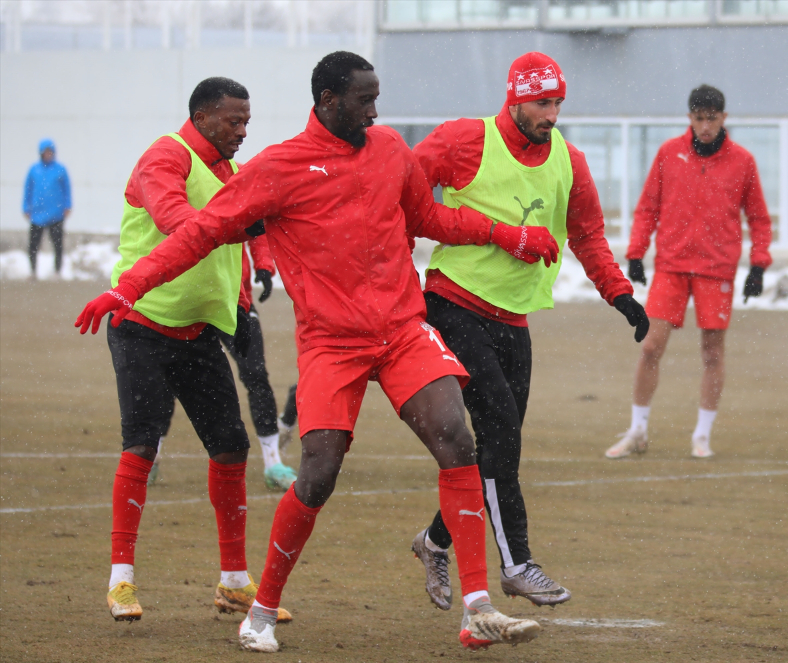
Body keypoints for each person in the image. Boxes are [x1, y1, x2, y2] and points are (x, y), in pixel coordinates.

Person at [76, 51, 562, 653]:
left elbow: (430, 216)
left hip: (403, 329)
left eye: (376, 96)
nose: (376, 110)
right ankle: (259, 610)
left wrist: (508, 233)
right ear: (328, 100)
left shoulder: (389, 151)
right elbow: (198, 233)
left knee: (456, 437)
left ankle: (477, 607)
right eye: (365, 99)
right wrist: (126, 288)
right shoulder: (278, 167)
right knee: (319, 471)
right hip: (332, 344)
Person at [408, 52, 648, 612]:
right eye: (543, 102)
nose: (553, 114)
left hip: (513, 320)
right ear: (515, 98)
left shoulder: (569, 159)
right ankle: (517, 565)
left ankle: (434, 541)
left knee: (497, 444)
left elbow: (587, 234)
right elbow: (405, 197)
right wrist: (488, 236)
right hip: (453, 303)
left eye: (559, 102)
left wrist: (619, 294)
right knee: (500, 431)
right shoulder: (463, 140)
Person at [83, 76, 289, 624]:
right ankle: (120, 581)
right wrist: (245, 224)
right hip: (141, 322)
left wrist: (262, 257)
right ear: (201, 117)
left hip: (199, 330)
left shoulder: (231, 169)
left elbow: (252, 218)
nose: (243, 131)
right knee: (142, 445)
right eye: (233, 121)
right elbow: (182, 224)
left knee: (229, 448)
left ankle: (233, 583)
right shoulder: (163, 158)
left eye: (248, 121)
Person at [606, 84, 772, 460]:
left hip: (717, 270)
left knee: (712, 353)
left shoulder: (742, 161)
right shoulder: (669, 153)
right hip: (672, 266)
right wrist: (636, 253)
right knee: (650, 345)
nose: (705, 126)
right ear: (690, 118)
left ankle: (702, 435)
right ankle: (638, 430)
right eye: (699, 118)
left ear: (723, 118)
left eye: (712, 118)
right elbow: (647, 207)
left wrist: (758, 265)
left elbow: (759, 218)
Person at [148, 237, 298, 492]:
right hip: (189, 298)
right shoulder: (181, 198)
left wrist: (264, 264)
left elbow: (256, 227)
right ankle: (152, 456)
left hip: (235, 299)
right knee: (169, 376)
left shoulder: (239, 195)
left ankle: (273, 463)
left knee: (256, 374)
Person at [23, 138, 71, 279]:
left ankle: (57, 271)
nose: (48, 154)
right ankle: (33, 271)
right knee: (33, 244)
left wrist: (67, 206)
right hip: (37, 213)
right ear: (41, 153)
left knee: (57, 244)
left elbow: (66, 189)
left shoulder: (60, 169)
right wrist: (26, 207)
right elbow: (28, 189)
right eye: (45, 152)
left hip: (56, 213)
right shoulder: (34, 170)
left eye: (50, 152)